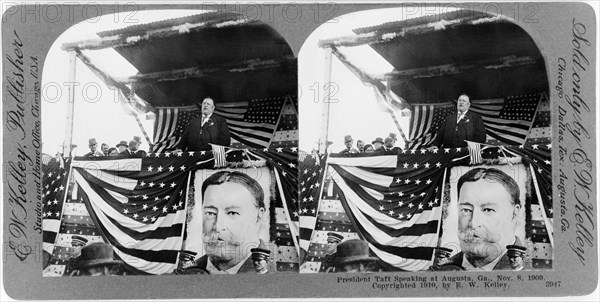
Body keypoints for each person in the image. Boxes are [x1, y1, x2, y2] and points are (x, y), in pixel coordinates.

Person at [441, 168, 527, 271]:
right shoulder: (439, 270)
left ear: (514, 214)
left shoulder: (534, 269)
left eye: (488, 210)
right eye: (466, 210)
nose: (473, 223)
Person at [180, 171, 265, 274]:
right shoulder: (184, 274)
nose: (218, 226)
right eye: (210, 213)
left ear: (258, 217)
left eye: (232, 213)